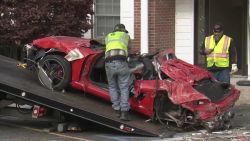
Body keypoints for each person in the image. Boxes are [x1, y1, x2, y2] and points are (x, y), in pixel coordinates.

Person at [105, 24, 131, 121]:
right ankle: (124, 113)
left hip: (108, 63)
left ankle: (117, 110)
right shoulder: (125, 36)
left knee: (112, 86)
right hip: (121, 62)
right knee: (123, 87)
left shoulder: (108, 36)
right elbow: (129, 49)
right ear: (123, 31)